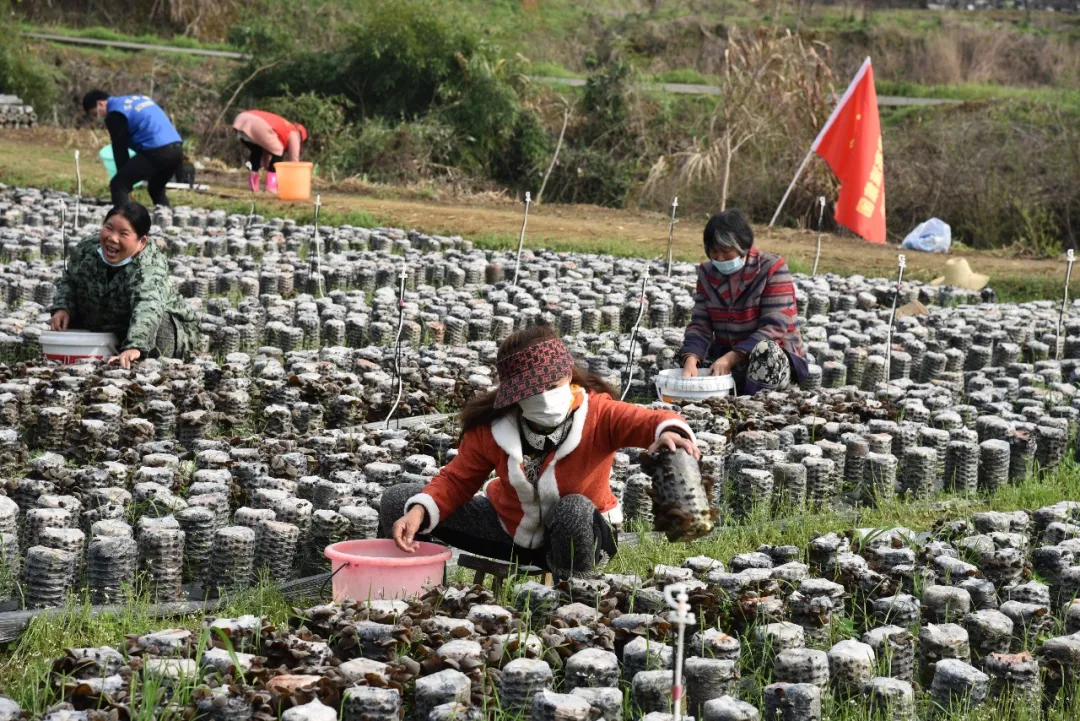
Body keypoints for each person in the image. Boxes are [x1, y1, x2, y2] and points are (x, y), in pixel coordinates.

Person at [380, 325, 700, 581]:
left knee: (571, 509)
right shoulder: (493, 427)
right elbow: (457, 480)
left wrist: (670, 432)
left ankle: (572, 595)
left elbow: (652, 421)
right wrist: (419, 512)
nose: (546, 399)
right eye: (534, 391)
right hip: (510, 531)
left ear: (569, 375)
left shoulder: (599, 415)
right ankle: (403, 586)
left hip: (583, 535)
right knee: (400, 501)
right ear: (514, 395)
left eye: (554, 384)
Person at [49, 201, 199, 368]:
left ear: (141, 242)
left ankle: (136, 357)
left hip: (154, 326)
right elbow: (70, 279)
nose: (113, 238)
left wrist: (135, 346)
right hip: (108, 321)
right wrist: (63, 307)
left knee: (160, 327)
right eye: (109, 228)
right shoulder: (87, 248)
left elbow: (148, 306)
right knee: (63, 323)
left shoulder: (150, 266)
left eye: (124, 233)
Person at [680, 209, 808, 395]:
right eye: (714, 252)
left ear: (743, 247)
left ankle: (756, 403)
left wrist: (732, 357)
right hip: (724, 357)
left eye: (726, 251)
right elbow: (700, 324)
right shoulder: (707, 273)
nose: (719, 258)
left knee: (765, 351)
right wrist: (691, 359)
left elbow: (774, 327)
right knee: (675, 357)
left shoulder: (772, 268)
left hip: (769, 361)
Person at [82, 91, 184, 209]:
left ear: (100, 104)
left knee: (119, 184)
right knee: (156, 187)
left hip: (156, 150)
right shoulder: (139, 99)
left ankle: (124, 220)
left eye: (96, 114)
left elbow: (120, 148)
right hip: (177, 148)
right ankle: (166, 219)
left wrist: (124, 176)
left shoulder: (115, 113)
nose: (99, 117)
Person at [232, 110, 308, 194]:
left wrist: (267, 167)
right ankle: (271, 188)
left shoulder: (282, 128)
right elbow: (294, 158)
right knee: (279, 152)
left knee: (257, 151)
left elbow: (267, 150)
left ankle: (253, 186)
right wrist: (296, 179)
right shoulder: (294, 132)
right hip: (256, 123)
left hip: (242, 119)